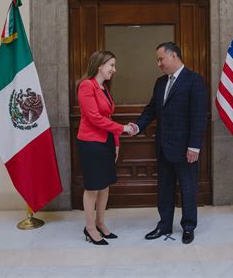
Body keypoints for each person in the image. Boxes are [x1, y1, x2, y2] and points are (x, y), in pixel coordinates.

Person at [129, 42, 207, 244]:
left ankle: (188, 227)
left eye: (161, 59)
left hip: (185, 149)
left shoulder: (194, 80)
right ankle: (164, 225)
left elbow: (199, 116)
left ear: (174, 56)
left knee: (188, 188)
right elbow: (151, 110)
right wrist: (138, 127)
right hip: (163, 147)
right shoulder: (160, 83)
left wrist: (194, 146)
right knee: (165, 188)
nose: (158, 63)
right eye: (158, 60)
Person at [76, 50, 134, 245]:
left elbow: (108, 117)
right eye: (111, 65)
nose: (114, 70)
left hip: (106, 143)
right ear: (100, 65)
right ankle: (90, 228)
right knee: (93, 187)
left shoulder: (103, 88)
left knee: (105, 184)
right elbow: (94, 118)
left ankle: (100, 223)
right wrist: (123, 129)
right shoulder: (86, 86)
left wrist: (116, 142)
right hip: (91, 143)